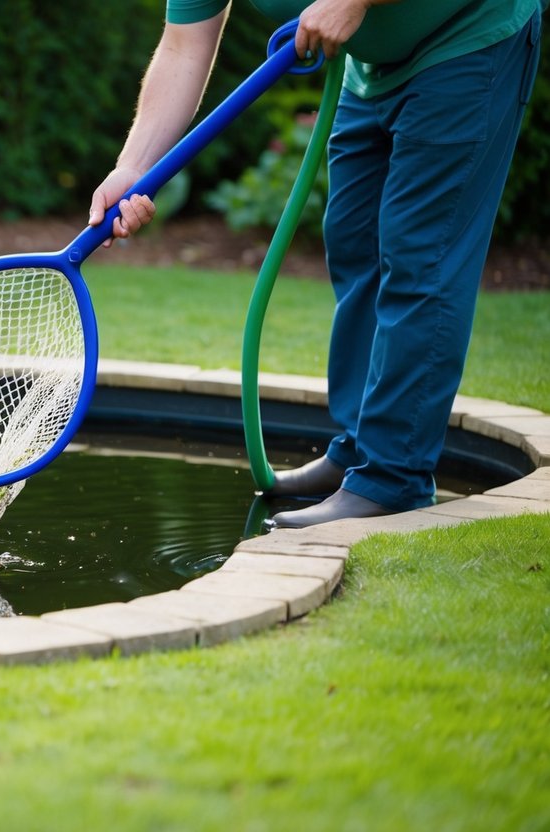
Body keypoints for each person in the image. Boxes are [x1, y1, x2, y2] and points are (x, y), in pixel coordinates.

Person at [89, 0, 545, 528]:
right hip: (370, 69)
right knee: (353, 243)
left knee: (421, 259)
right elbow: (184, 45)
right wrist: (134, 167)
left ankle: (391, 479)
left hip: (468, 34)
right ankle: (361, 450)